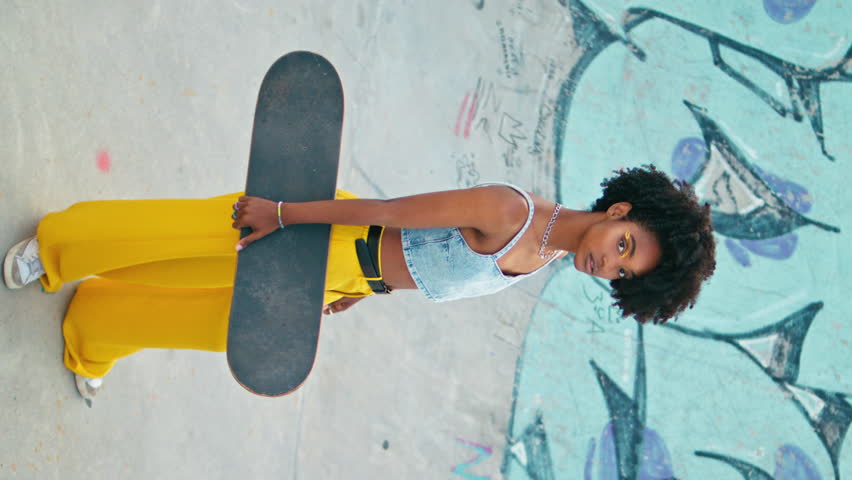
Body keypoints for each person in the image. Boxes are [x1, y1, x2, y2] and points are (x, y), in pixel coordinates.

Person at [3, 165, 715, 404]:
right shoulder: (509, 212)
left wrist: (358, 292)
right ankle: (60, 247)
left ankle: (95, 326)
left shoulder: (548, 257)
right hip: (334, 232)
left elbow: (431, 271)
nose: (609, 262)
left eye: (623, 271)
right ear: (621, 210)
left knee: (221, 323)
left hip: (350, 273)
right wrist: (282, 214)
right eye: (624, 245)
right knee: (189, 241)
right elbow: (390, 212)